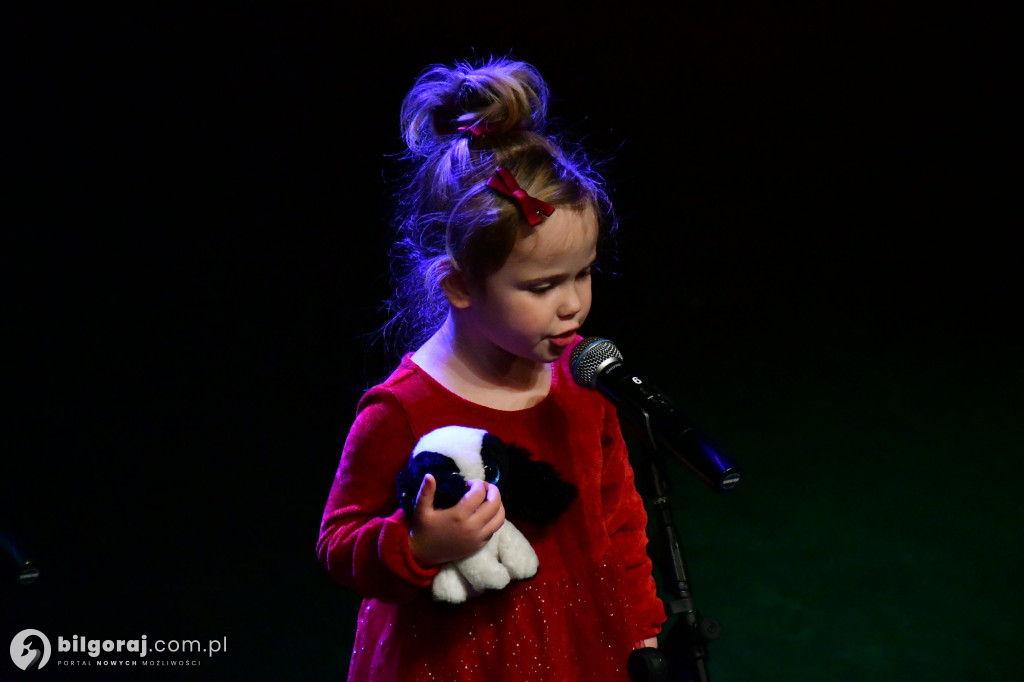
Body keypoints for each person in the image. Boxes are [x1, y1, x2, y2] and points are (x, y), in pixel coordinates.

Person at [317, 56, 665, 681]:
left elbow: (618, 517)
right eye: (541, 285)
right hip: (460, 657)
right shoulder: (402, 409)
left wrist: (641, 628)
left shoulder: (582, 381)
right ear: (459, 285)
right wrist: (419, 547)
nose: (573, 304)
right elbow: (340, 542)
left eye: (582, 274)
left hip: (584, 644)